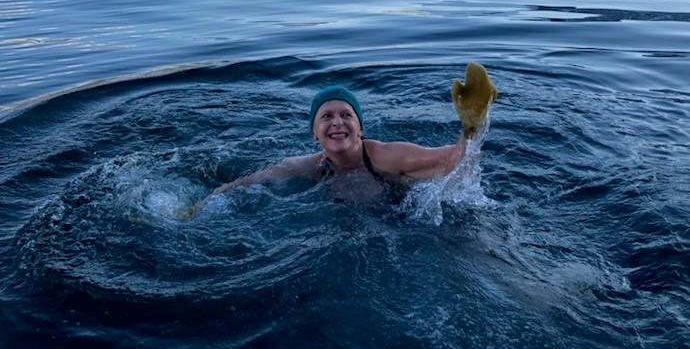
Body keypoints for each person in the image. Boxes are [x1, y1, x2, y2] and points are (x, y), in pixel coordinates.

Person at [183, 62, 497, 214]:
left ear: (360, 127)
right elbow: (250, 182)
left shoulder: (385, 156)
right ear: (314, 132)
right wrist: (200, 205)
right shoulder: (305, 166)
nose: (337, 123)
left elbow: (452, 160)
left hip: (401, 219)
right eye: (327, 116)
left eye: (346, 115)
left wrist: (471, 126)